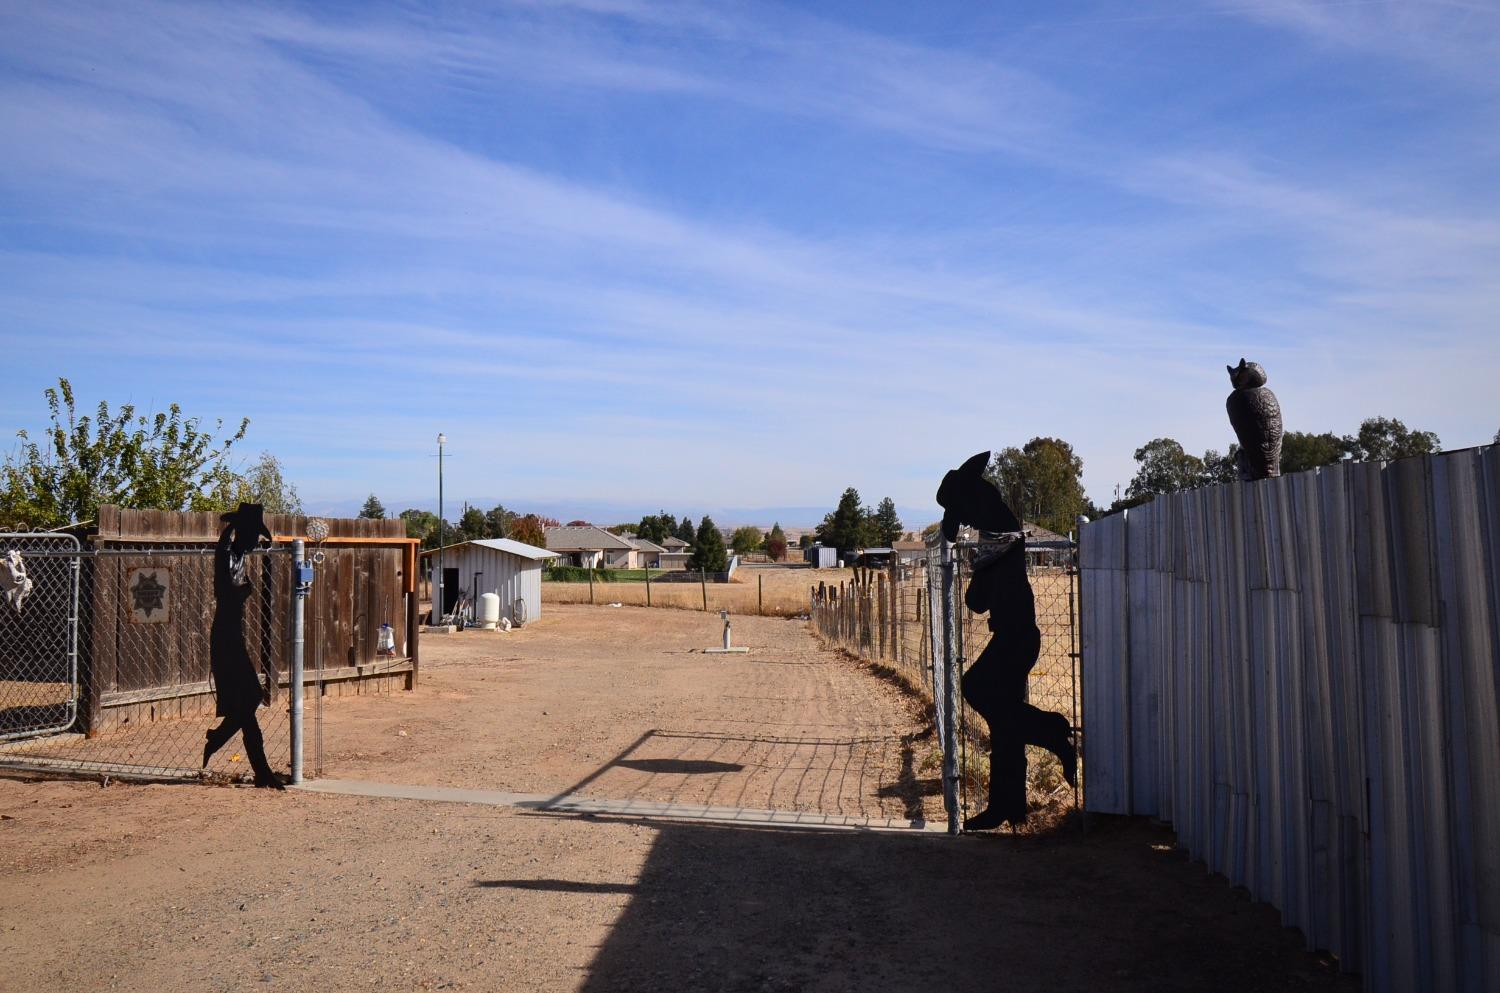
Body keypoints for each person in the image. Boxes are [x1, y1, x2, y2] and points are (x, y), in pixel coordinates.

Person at [202, 503, 283, 789]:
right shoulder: (226, 555)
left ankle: (223, 741)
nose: (256, 542)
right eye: (253, 536)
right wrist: (233, 528)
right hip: (225, 638)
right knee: (250, 699)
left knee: (249, 702)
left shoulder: (239, 558)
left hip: (233, 634)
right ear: (242, 533)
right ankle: (260, 770)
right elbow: (223, 557)